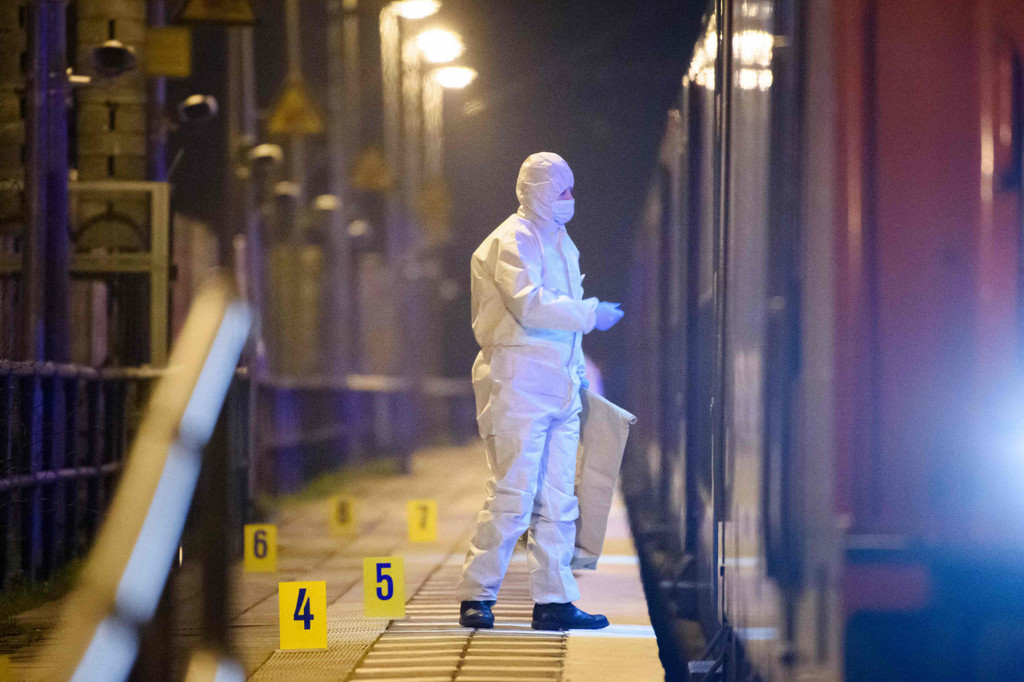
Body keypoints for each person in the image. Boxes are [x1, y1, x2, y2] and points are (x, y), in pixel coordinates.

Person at [455, 152, 624, 630]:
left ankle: (554, 600)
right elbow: (528, 305)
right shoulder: (511, 240)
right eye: (561, 190)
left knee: (557, 500)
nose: (570, 198)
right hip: (518, 385)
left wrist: (579, 377)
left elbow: (560, 328)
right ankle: (476, 594)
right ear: (538, 191)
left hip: (558, 386)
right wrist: (589, 314)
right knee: (513, 494)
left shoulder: (562, 243)